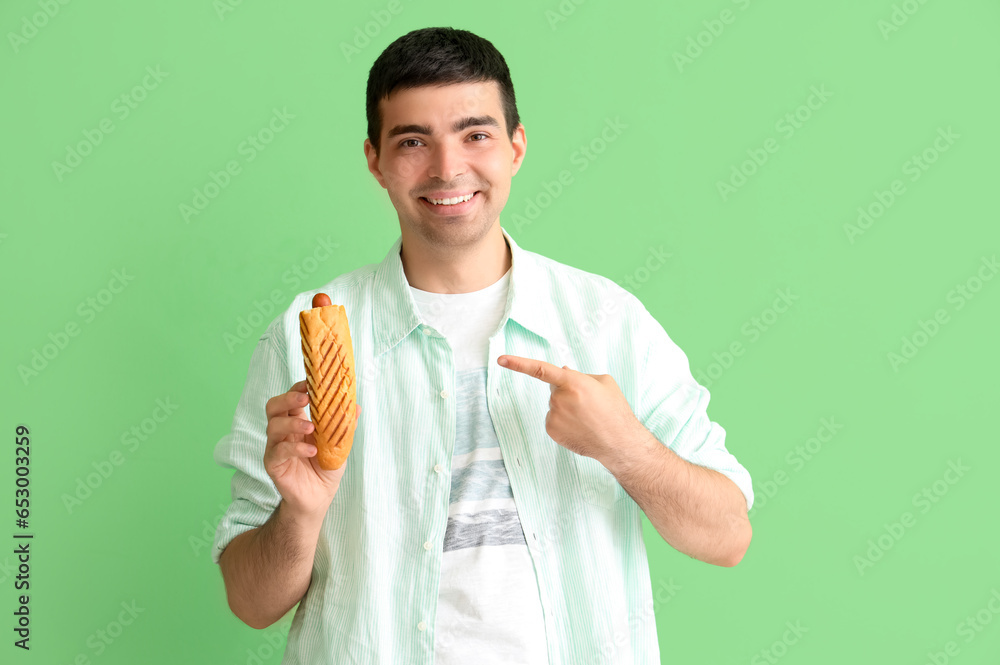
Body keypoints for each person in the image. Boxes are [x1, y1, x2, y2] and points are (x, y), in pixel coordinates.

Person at [212, 26, 754, 665]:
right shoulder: (305, 336)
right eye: (413, 141)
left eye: (476, 135)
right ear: (374, 160)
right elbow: (251, 603)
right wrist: (300, 515)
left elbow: (727, 536)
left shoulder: (605, 323)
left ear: (516, 146)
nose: (448, 168)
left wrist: (625, 446)